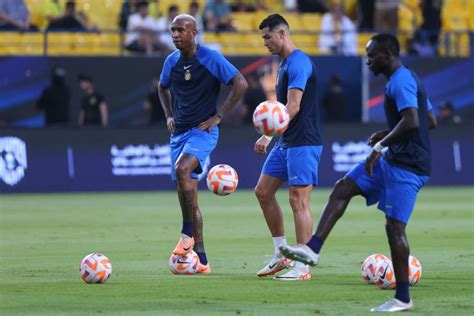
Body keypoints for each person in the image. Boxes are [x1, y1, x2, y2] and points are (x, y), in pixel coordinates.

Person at [280, 34, 437, 312]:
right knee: (344, 187)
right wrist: (388, 134)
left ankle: (403, 298)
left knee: (394, 228)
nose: (368, 60)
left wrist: (380, 144)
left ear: (387, 53)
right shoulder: (406, 78)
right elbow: (430, 119)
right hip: (395, 157)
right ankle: (312, 248)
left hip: (408, 166)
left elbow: (413, 121)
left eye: (372, 55)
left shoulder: (400, 81)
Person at [158, 14, 247, 273]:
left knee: (182, 169)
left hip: (202, 132)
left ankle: (186, 235)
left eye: (181, 30)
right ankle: (203, 260)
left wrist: (218, 116)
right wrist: (169, 115)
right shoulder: (171, 61)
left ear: (194, 33)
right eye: (173, 30)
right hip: (179, 134)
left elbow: (240, 83)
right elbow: (162, 88)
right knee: (191, 199)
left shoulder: (210, 58)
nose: (175, 35)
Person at [254, 14, 322, 281]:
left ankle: (303, 265)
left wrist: (267, 135)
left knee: (298, 201)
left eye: (267, 37)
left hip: (304, 141)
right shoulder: (283, 64)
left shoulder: (299, 63)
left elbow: (292, 107)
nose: (265, 43)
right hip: (287, 141)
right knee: (262, 191)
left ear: (282, 34)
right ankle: (282, 253)